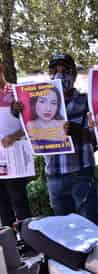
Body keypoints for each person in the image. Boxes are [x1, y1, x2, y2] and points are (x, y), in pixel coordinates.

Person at [12, 53, 98, 224]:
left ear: (73, 74)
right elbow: (29, 128)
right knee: (65, 229)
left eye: (65, 71)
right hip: (54, 174)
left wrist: (78, 131)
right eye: (54, 71)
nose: (59, 75)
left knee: (91, 226)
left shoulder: (86, 100)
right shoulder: (37, 101)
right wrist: (18, 112)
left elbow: (96, 139)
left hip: (80, 173)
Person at [0, 63, 32, 227]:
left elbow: (31, 122)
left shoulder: (17, 91)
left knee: (19, 201)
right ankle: (10, 246)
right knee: (3, 206)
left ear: (1, 68)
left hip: (15, 156)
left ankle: (28, 243)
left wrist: (14, 136)